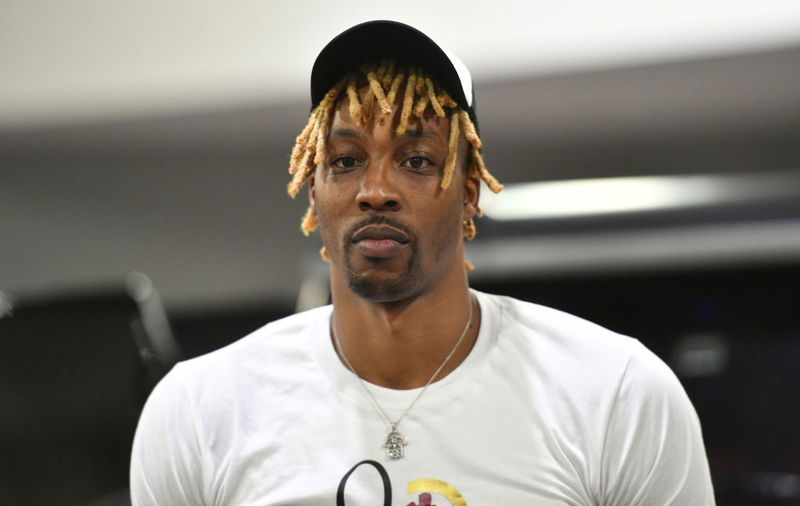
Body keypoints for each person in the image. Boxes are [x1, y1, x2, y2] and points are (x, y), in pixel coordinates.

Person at [130, 20, 715, 505]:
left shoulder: (614, 394)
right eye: (345, 161)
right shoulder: (200, 412)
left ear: (469, 195)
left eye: (415, 160)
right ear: (314, 192)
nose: (376, 190)